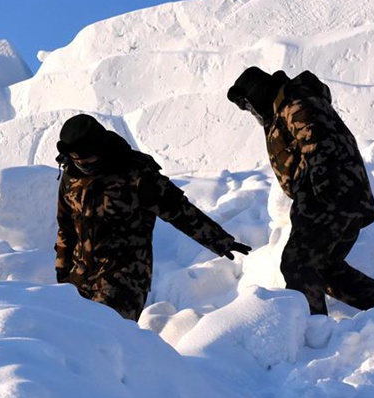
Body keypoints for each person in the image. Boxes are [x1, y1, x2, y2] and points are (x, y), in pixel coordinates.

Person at [226, 66, 374, 315]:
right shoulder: (285, 106)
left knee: (298, 264)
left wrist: (321, 195)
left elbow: (318, 142)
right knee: (325, 268)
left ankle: (312, 331)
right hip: (342, 194)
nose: (251, 112)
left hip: (327, 194)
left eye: (249, 105)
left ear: (257, 94)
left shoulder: (294, 102)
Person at [55, 114, 251, 321]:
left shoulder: (136, 172)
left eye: (87, 158)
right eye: (77, 159)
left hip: (123, 281)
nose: (82, 163)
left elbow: (179, 211)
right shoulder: (71, 175)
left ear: (100, 148)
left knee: (105, 340)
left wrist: (220, 241)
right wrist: (63, 276)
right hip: (80, 278)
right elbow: (65, 227)